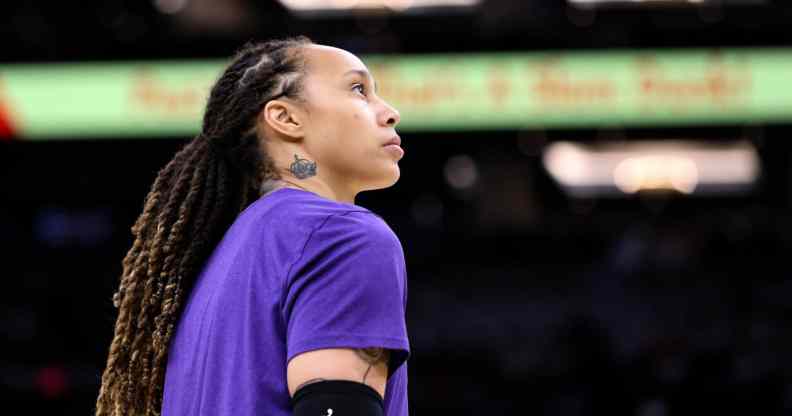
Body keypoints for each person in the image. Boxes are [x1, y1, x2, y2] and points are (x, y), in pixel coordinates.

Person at [94, 36, 410, 416]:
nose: (390, 112)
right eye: (359, 89)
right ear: (286, 117)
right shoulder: (342, 236)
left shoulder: (213, 266)